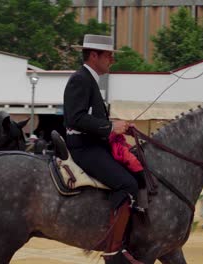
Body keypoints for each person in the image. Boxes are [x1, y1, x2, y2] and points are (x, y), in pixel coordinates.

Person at [63, 34, 142, 264]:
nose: (112, 60)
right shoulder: (80, 79)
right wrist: (110, 126)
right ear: (94, 55)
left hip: (94, 143)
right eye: (109, 55)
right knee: (127, 185)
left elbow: (92, 119)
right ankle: (113, 252)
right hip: (84, 148)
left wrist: (119, 127)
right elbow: (74, 118)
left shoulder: (89, 80)